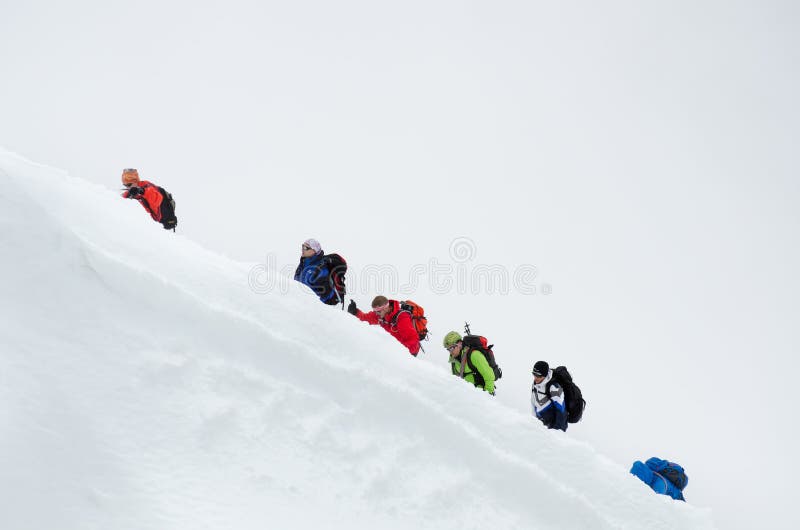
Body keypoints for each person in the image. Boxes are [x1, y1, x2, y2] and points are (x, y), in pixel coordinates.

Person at [347, 296, 420, 355]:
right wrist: (355, 311)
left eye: (378, 311)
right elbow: (365, 318)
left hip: (408, 351)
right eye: (375, 311)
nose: (376, 314)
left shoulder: (402, 317)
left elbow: (412, 341)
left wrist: (401, 354)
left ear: (386, 308)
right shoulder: (380, 315)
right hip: (395, 350)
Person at [293, 239, 343, 306]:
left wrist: (312, 306)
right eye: (302, 246)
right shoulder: (303, 263)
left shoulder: (320, 269)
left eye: (306, 248)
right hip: (299, 304)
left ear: (314, 251)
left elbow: (326, 295)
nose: (302, 249)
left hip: (315, 310)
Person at [530, 361, 568, 431]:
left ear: (545, 375)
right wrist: (534, 421)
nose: (535, 378)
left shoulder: (554, 387)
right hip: (540, 424)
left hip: (553, 427)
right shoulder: (535, 384)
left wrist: (557, 431)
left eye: (538, 376)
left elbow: (561, 409)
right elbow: (533, 402)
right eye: (534, 374)